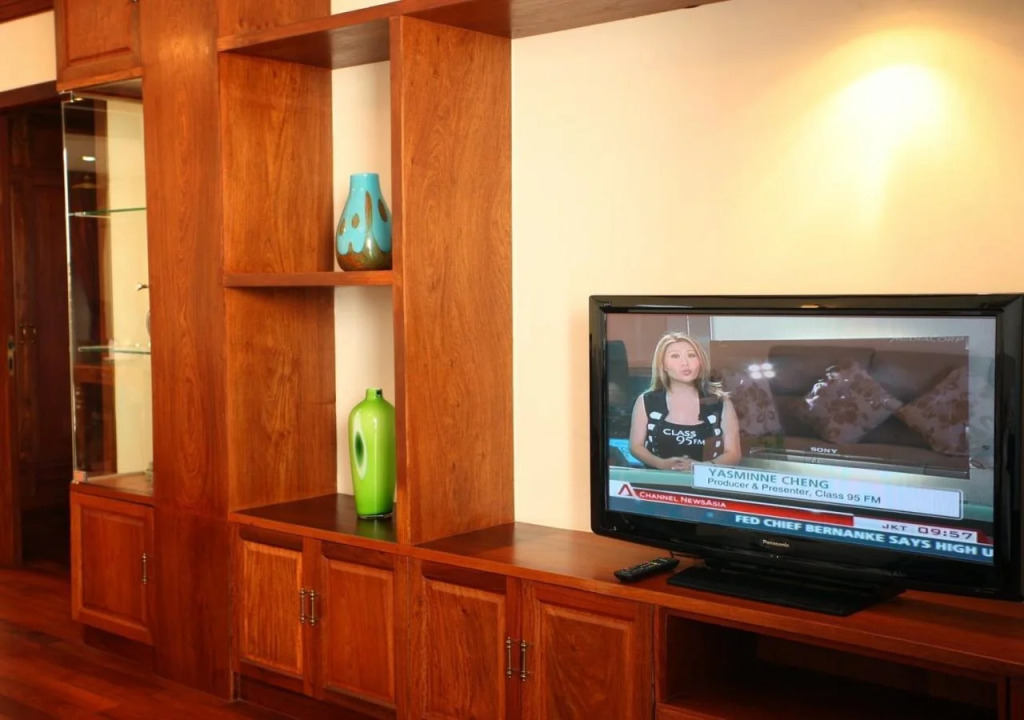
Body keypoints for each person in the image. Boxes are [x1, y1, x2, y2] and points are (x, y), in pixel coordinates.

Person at [629, 332, 741, 471]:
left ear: (700, 361)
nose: (685, 363)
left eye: (691, 355)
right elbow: (635, 446)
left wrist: (701, 468)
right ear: (662, 364)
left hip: (703, 482)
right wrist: (661, 464)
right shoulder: (646, 401)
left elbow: (733, 454)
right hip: (656, 482)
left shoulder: (720, 402)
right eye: (675, 356)